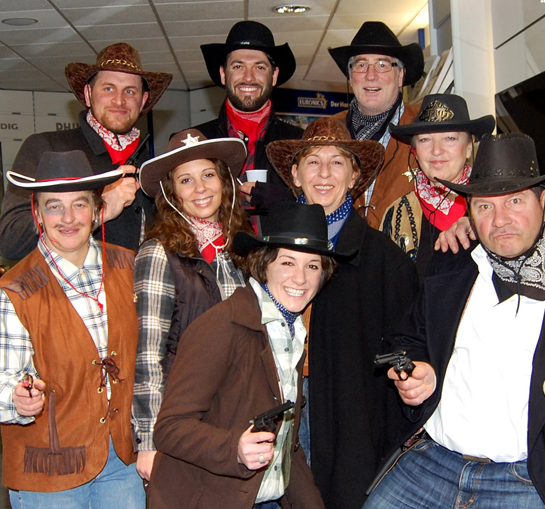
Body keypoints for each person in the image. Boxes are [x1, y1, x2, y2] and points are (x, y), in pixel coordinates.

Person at [363, 133, 545, 509]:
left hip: (526, 479)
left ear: (544, 202)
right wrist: (420, 371)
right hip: (431, 464)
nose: (500, 220)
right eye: (484, 206)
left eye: (515, 201)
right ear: (469, 212)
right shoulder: (453, 264)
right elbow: (409, 338)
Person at [267, 117, 419, 508]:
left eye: (337, 162)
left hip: (348, 428)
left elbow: (407, 351)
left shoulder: (385, 261)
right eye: (312, 161)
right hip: (275, 410)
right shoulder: (264, 252)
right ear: (295, 175)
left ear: (354, 177)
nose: (324, 174)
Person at [148, 201, 333, 508]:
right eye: (288, 263)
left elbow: (287, 443)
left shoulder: (293, 331)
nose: (300, 278)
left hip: (265, 497)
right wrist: (234, 447)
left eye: (312, 266)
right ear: (264, 265)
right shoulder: (223, 324)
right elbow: (169, 428)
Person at [0, 151, 144, 508]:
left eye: (79, 204)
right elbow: (3, 381)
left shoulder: (130, 266)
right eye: (54, 207)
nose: (68, 218)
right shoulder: (14, 290)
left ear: (97, 210)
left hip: (122, 459)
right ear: (37, 215)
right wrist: (17, 399)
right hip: (48, 469)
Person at [131, 129, 249, 482]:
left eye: (208, 175)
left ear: (224, 182)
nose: (200, 188)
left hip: (236, 412)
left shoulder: (242, 248)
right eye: (186, 180)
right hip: (185, 417)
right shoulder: (158, 253)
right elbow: (148, 354)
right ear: (171, 192)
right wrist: (149, 440)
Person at [0, 43, 172, 260]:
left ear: (143, 101)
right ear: (88, 94)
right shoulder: (46, 147)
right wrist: (99, 210)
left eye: (130, 91)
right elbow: (11, 241)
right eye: (108, 88)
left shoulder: (150, 164)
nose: (119, 100)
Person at [382, 93, 494, 279]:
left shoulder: (494, 205)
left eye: (449, 138)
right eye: (425, 140)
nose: (436, 150)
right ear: (415, 152)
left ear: (469, 147)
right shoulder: (397, 213)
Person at [196, 21, 304, 211]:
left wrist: (290, 201)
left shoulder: (300, 143)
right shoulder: (195, 142)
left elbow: (324, 210)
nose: (248, 77)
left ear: (274, 75)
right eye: (238, 66)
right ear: (223, 74)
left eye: (259, 67)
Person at [328, 21, 425, 229]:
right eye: (361, 65)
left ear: (400, 76)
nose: (370, 75)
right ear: (350, 77)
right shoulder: (326, 131)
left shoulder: (425, 126)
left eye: (382, 65)